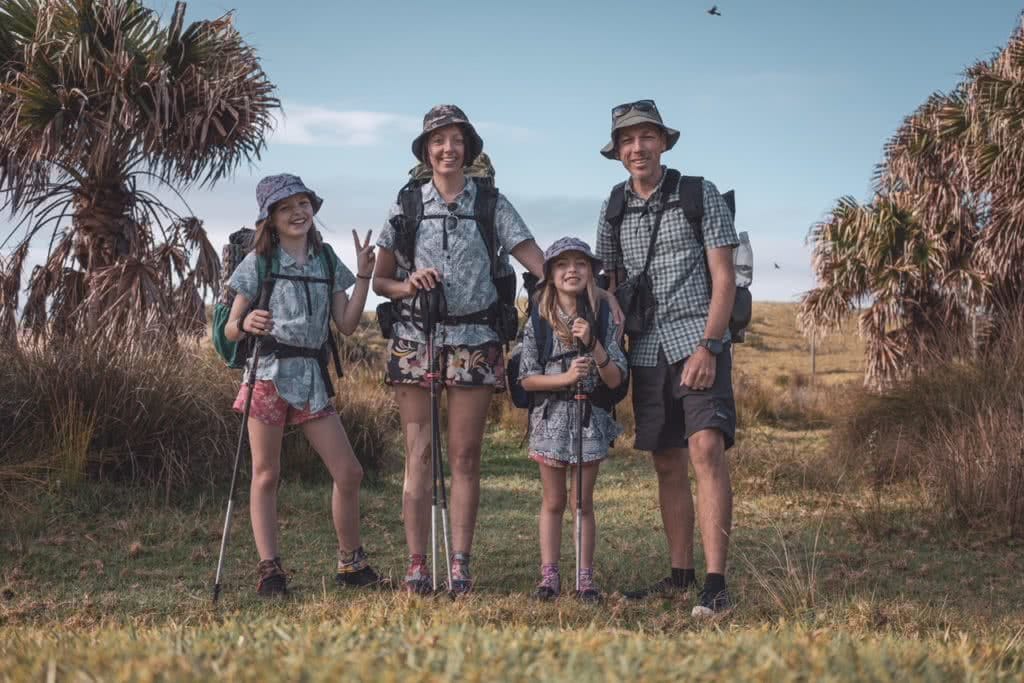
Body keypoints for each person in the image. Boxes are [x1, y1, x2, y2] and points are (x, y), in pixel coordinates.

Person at [373, 105, 546, 594]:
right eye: (438, 141)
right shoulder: (406, 203)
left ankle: (461, 565)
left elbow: (537, 261)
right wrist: (409, 285)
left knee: (466, 456)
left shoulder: (492, 204)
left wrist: (585, 290)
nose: (448, 149)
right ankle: (417, 565)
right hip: (415, 341)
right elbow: (382, 281)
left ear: (468, 148)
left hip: (475, 341)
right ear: (426, 151)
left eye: (456, 140)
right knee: (419, 455)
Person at [594, 100, 740, 616]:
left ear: (663, 142)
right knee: (666, 462)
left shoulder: (699, 194)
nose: (638, 148)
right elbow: (608, 285)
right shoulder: (612, 207)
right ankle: (680, 575)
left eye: (647, 137)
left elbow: (725, 277)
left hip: (699, 342)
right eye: (628, 140)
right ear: (618, 151)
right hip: (647, 349)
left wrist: (711, 346)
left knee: (706, 451)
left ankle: (716, 586)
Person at [224, 173, 381, 596]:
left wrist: (364, 276)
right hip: (269, 374)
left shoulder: (327, 259)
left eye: (303, 203)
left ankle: (350, 564)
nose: (297, 212)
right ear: (270, 219)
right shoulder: (259, 260)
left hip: (311, 377)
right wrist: (246, 321)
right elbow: (231, 329)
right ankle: (270, 570)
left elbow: (347, 325)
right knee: (266, 474)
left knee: (349, 471)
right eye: (285, 207)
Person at [519, 237, 626, 603]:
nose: (572, 270)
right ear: (549, 273)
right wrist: (564, 379)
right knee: (553, 500)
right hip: (550, 418)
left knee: (583, 501)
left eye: (580, 263)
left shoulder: (603, 316)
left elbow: (615, 379)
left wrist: (594, 344)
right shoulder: (538, 316)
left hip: (589, 419)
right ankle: (549, 576)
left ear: (591, 271)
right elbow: (526, 377)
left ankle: (585, 579)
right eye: (562, 264)